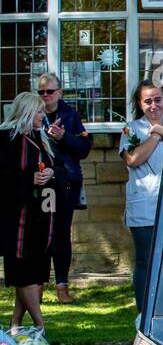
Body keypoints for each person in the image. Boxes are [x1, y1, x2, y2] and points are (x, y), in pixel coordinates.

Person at [1, 92, 57, 334]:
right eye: (39, 111)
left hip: (40, 216)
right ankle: (39, 326)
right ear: (26, 111)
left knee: (34, 273)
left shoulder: (39, 137)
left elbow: (55, 166)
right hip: (16, 218)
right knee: (23, 273)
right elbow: (4, 177)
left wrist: (50, 174)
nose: (43, 116)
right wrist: (29, 179)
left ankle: (15, 326)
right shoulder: (6, 139)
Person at [36, 73, 90, 304]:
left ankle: (62, 285)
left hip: (66, 182)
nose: (45, 96)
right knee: (39, 234)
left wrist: (63, 137)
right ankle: (36, 285)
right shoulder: (33, 114)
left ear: (60, 92)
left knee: (61, 234)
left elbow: (84, 148)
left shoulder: (70, 115)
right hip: (41, 183)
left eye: (50, 91)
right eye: (41, 92)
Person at [120, 80, 163, 315]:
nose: (153, 105)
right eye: (147, 101)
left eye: (157, 99)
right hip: (143, 204)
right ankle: (143, 310)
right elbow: (133, 159)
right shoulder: (131, 129)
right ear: (140, 104)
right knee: (144, 260)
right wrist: (157, 135)